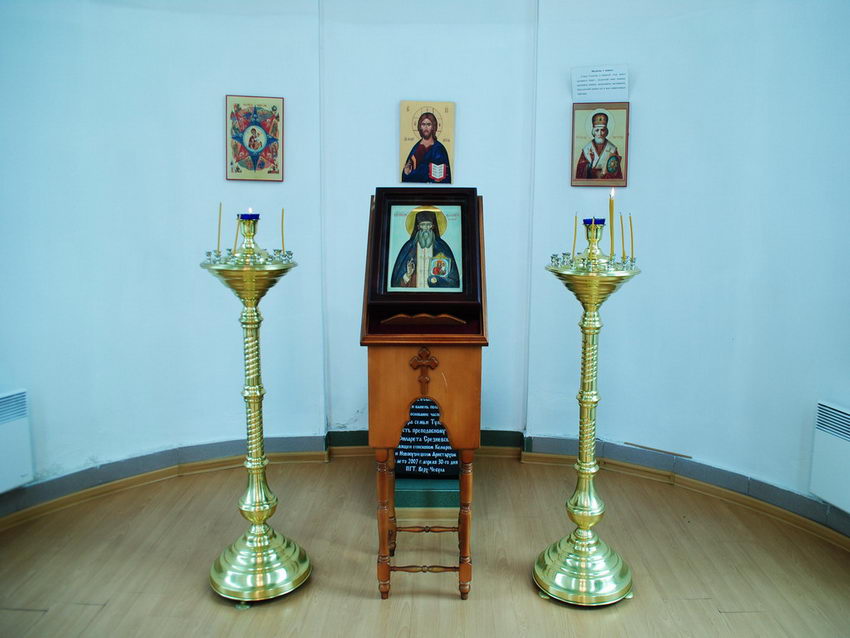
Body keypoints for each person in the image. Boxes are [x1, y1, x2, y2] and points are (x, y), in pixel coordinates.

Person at [390, 209, 459, 289]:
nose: (426, 228)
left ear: (433, 226)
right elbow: (396, 283)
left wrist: (437, 280)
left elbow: (454, 281)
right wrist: (408, 275)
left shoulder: (442, 247)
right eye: (423, 225)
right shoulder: (409, 247)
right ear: (418, 227)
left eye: (428, 225)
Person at [402, 112, 451, 183]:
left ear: (433, 127)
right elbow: (406, 174)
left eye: (429, 124)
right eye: (423, 124)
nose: (426, 127)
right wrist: (406, 172)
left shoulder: (439, 149)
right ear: (420, 127)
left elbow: (444, 177)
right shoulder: (416, 148)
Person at [575, 112, 623, 180]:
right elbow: (580, 170)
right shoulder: (587, 148)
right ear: (593, 132)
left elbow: (616, 173)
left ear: (606, 132)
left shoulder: (612, 148)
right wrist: (589, 166)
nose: (600, 133)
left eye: (602, 130)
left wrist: (605, 174)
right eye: (597, 130)